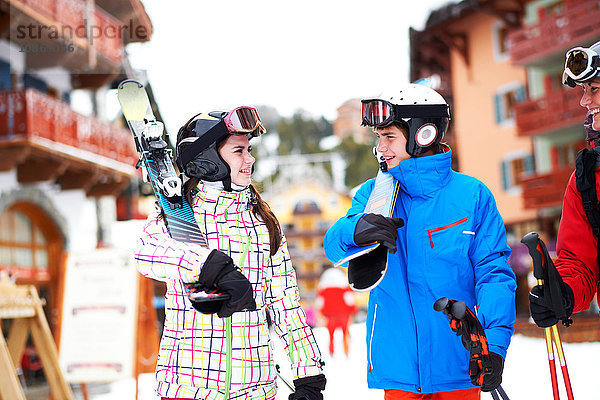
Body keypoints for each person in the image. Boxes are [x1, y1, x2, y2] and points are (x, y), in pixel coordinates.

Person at [323, 84, 516, 400]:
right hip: (399, 370)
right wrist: (355, 231)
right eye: (378, 138)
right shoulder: (374, 195)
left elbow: (494, 275)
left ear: (422, 134)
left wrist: (494, 346)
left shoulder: (472, 196)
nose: (380, 148)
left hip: (460, 362)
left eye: (389, 138)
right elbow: (333, 246)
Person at [135, 107, 325, 400]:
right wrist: (207, 264)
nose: (250, 159)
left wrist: (308, 374)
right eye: (239, 151)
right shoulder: (178, 214)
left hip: (255, 390)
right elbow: (146, 254)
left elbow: (285, 304)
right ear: (209, 160)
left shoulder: (263, 222)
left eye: (249, 150)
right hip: (188, 388)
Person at [529, 41, 600, 328]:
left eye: (594, 89)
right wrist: (563, 293)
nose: (585, 101)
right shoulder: (585, 181)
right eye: (584, 91)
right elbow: (579, 262)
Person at [316, 267, 357, 356]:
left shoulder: (323, 288)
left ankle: (331, 352)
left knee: (331, 335)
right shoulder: (344, 286)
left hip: (330, 315)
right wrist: (353, 310)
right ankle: (346, 352)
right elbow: (349, 299)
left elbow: (320, 302)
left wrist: (322, 312)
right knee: (345, 333)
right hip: (344, 314)